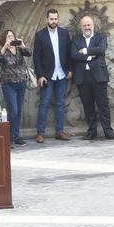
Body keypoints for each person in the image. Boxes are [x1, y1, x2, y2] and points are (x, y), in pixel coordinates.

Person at [70, 14, 114, 140]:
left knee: (103, 104)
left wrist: (84, 51)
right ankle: (91, 131)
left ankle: (108, 131)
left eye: (89, 24)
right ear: (81, 27)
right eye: (84, 25)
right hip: (83, 77)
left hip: (99, 76)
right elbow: (73, 55)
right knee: (87, 105)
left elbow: (101, 49)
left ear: (93, 26)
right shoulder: (75, 39)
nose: (87, 27)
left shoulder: (101, 37)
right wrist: (91, 55)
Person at [31, 8, 72, 142]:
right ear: (47, 19)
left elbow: (69, 53)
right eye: (51, 19)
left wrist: (70, 70)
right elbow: (36, 58)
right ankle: (40, 133)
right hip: (47, 77)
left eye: (55, 19)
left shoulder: (64, 34)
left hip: (62, 75)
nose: (53, 21)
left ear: (58, 19)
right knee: (44, 104)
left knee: (60, 104)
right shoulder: (40, 35)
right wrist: (40, 76)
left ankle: (59, 131)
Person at [0, 30, 31, 146]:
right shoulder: (3, 50)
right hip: (8, 83)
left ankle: (16, 136)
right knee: (13, 110)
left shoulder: (19, 49)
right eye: (8, 37)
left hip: (21, 82)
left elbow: (29, 53)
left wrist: (22, 45)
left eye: (12, 36)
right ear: (4, 39)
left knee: (19, 110)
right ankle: (8, 137)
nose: (10, 38)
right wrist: (4, 47)